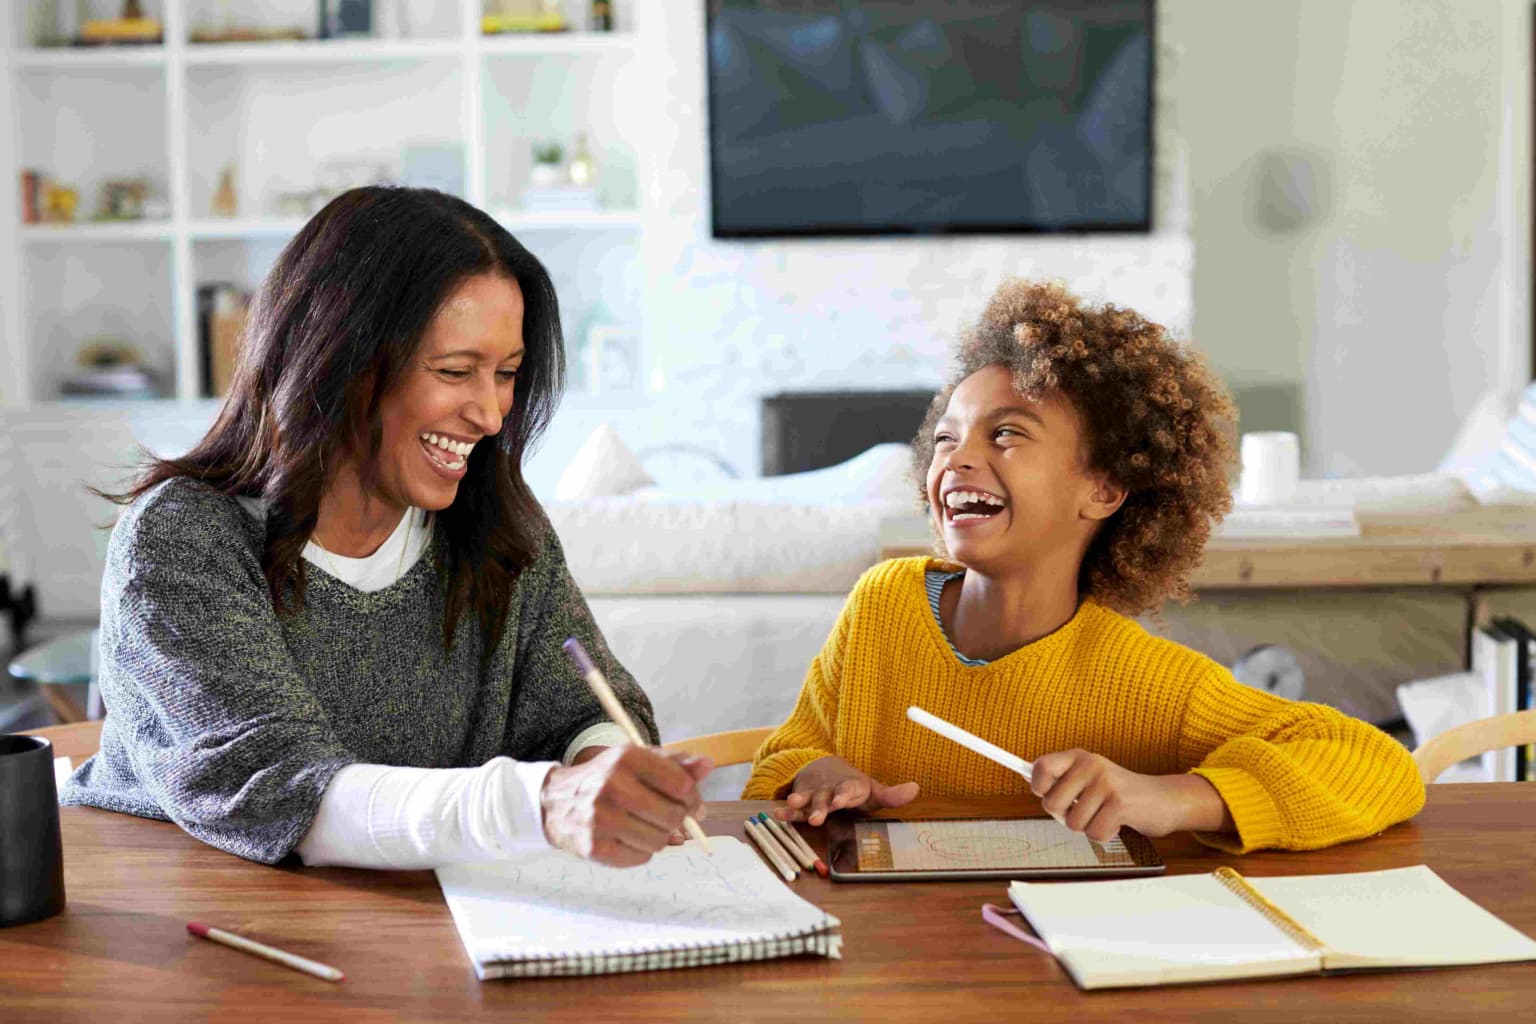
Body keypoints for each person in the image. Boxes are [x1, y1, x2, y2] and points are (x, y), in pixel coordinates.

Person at [63, 186, 709, 869]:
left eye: (508, 374)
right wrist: (543, 803)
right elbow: (278, 787)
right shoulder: (184, 540)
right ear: (338, 359)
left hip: (420, 923)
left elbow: (579, 708)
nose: (491, 416)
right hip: (190, 915)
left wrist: (608, 768)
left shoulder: (496, 520)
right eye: (455, 371)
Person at [743, 279, 1425, 853]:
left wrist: (1174, 798)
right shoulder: (883, 606)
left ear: (1103, 489)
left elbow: (1381, 766)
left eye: (1006, 434)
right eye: (947, 437)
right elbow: (787, 752)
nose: (957, 458)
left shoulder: (1148, 681)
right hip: (894, 961)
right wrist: (816, 773)